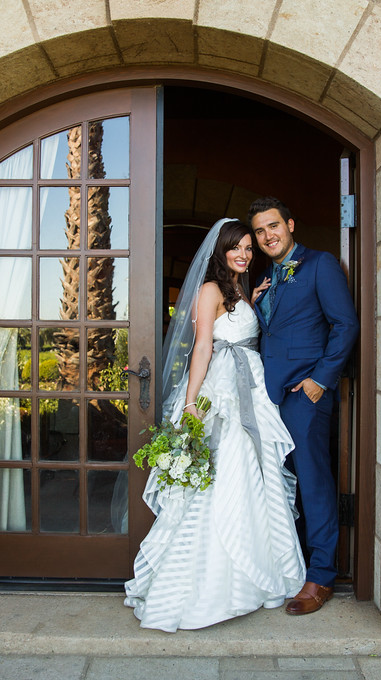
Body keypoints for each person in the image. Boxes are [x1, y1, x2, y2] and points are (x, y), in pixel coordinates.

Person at [124, 218, 306, 632]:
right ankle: (206, 587)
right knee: (225, 474)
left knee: (255, 477)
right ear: (220, 252)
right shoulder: (209, 290)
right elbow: (203, 345)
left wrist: (254, 299)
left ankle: (255, 573)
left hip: (252, 385)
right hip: (224, 387)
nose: (244, 254)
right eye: (236, 248)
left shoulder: (240, 287)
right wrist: (191, 404)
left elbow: (238, 323)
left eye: (248, 248)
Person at [249, 197, 359, 616]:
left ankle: (322, 577)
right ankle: (289, 566)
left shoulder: (319, 264)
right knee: (279, 486)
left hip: (305, 397)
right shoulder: (267, 277)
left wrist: (319, 381)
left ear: (290, 224)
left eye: (273, 226)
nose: (267, 236)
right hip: (269, 397)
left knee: (313, 483)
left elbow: (345, 324)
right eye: (259, 231)